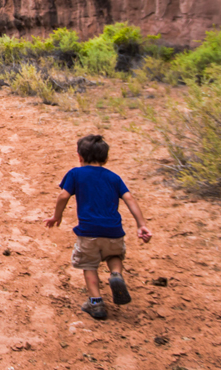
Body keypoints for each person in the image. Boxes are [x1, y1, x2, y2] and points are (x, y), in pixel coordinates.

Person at [44, 134, 153, 320]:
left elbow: (63, 196)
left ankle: (96, 302)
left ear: (79, 156)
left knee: (89, 264)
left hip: (89, 232)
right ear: (106, 158)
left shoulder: (75, 174)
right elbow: (129, 199)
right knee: (114, 255)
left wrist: (57, 216)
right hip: (113, 231)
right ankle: (116, 274)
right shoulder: (114, 178)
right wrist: (141, 225)